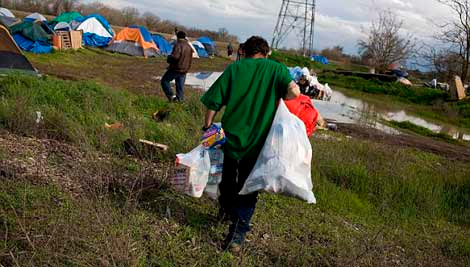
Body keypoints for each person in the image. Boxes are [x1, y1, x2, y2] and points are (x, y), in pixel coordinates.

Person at [200, 36, 300, 254]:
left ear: (245, 51)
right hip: (258, 143)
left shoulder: (236, 69)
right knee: (248, 187)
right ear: (265, 52)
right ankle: (237, 235)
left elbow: (214, 101)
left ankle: (226, 210)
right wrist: (276, 94)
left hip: (230, 138)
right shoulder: (276, 69)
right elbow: (295, 92)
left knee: (227, 179)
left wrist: (207, 125)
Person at [161, 31, 193, 102]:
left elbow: (175, 57)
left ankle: (171, 97)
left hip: (176, 69)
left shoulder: (178, 45)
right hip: (184, 70)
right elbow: (190, 59)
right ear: (184, 37)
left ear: (177, 37)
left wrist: (169, 58)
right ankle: (179, 101)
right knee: (180, 87)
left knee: (164, 81)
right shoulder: (189, 46)